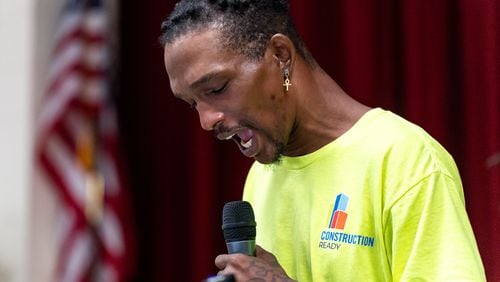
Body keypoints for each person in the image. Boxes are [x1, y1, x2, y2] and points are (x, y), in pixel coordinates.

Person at [160, 0, 486, 281]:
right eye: (193, 103)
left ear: (280, 55)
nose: (206, 121)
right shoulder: (262, 177)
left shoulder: (406, 160)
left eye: (217, 89)